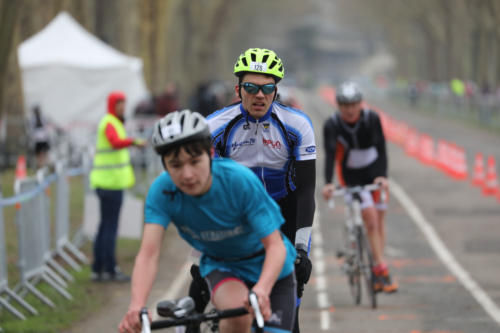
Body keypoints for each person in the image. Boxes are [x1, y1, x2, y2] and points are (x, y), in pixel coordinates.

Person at [118, 110, 297, 333]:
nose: (188, 175)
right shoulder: (163, 192)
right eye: (175, 165)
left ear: (211, 154)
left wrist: (262, 289)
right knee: (237, 315)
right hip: (224, 266)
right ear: (164, 166)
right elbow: (148, 253)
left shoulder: (239, 182)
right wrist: (136, 306)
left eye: (195, 162)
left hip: (271, 269)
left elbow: (275, 245)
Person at [206, 47, 316, 333]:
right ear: (238, 89)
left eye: (267, 88)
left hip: (284, 212)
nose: (260, 95)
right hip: (237, 215)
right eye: (251, 87)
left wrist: (302, 248)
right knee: (210, 298)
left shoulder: (297, 125)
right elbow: (205, 190)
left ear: (276, 90)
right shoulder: (215, 126)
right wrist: (201, 251)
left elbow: (306, 189)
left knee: (290, 311)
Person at [321, 81, 398, 293]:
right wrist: (328, 182)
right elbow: (329, 155)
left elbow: (381, 149)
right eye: (345, 105)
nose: (349, 109)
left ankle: (376, 264)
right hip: (350, 174)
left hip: (374, 171)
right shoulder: (332, 124)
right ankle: (381, 269)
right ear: (338, 105)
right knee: (370, 217)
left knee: (378, 222)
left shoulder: (372, 118)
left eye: (353, 104)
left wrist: (382, 176)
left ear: (360, 104)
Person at [89, 91, 146, 282]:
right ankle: (109, 268)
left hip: (109, 182)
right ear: (113, 105)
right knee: (109, 227)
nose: (123, 107)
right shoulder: (109, 122)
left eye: (124, 103)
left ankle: (99, 268)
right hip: (109, 183)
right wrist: (134, 142)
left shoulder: (112, 122)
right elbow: (114, 142)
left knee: (105, 225)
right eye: (120, 104)